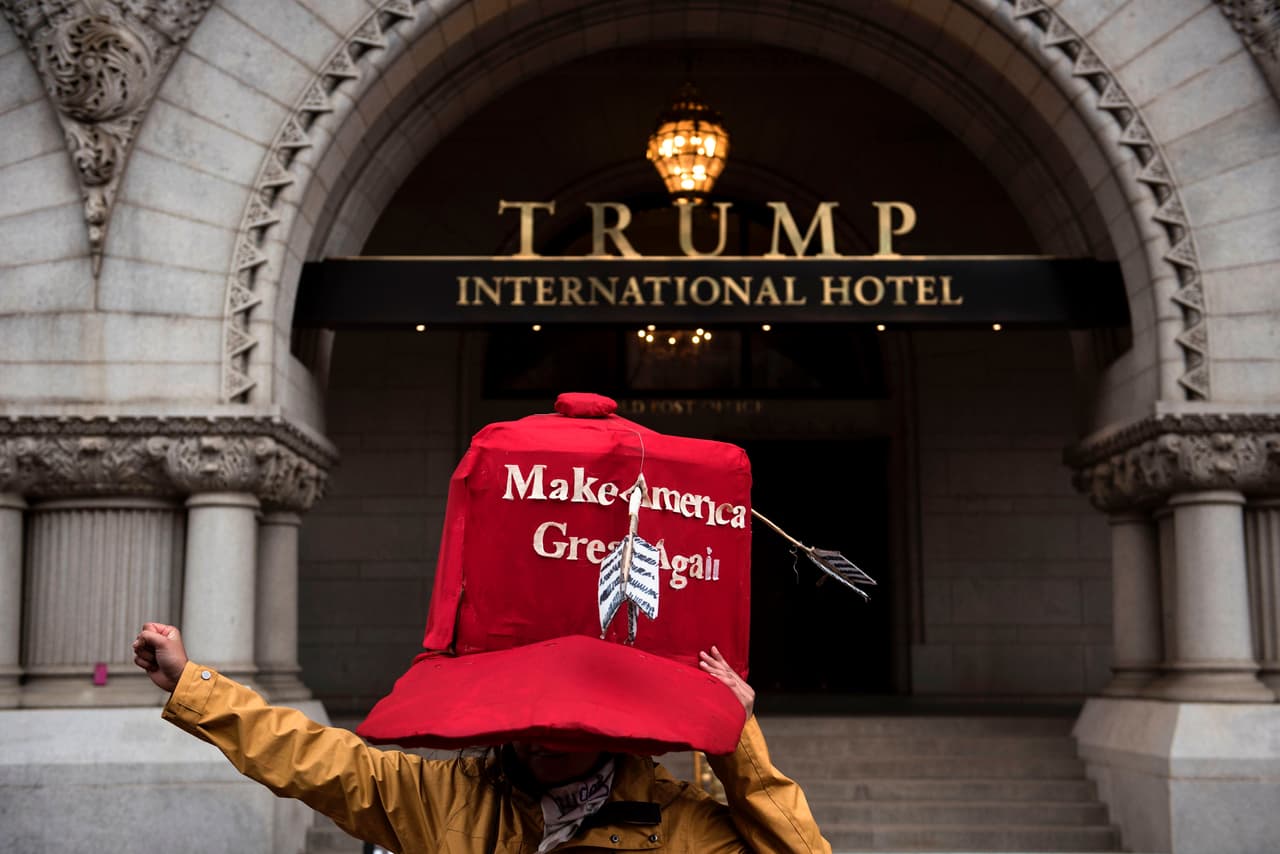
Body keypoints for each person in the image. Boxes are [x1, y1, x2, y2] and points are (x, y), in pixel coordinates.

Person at [133, 622, 832, 853]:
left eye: (560, 734)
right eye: (527, 728)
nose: (536, 744)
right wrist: (194, 685)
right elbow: (316, 759)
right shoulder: (443, 795)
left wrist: (731, 741)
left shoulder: (682, 824)